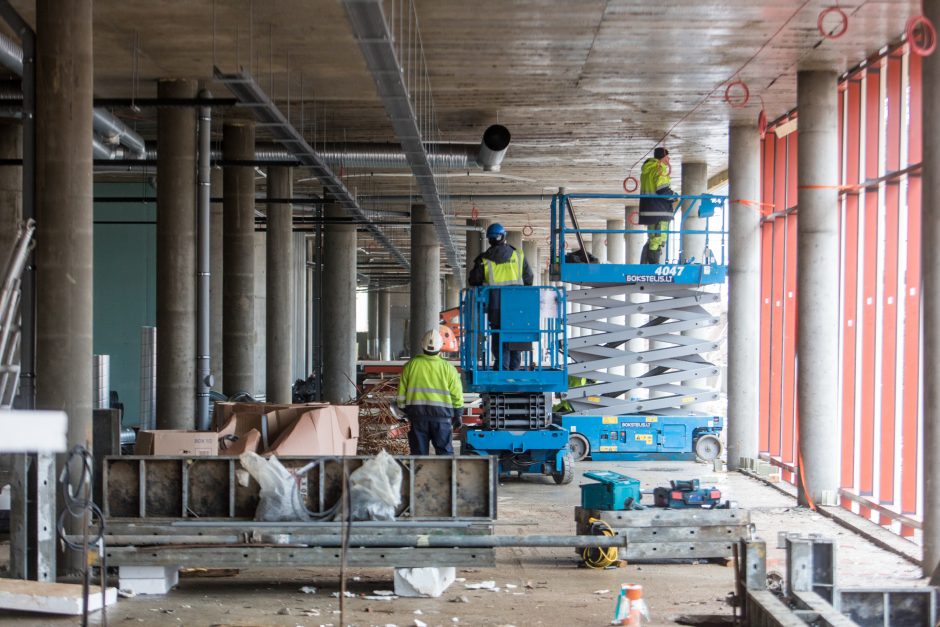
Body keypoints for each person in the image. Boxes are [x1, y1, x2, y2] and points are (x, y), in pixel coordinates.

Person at [467, 222, 534, 370]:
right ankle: (514, 370)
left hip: (496, 306)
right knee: (516, 335)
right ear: (504, 236)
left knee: (499, 335)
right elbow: (529, 277)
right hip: (517, 305)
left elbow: (473, 280)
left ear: (489, 239)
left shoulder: (484, 260)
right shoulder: (518, 255)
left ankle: (501, 368)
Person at [397, 328, 464, 455]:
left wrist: (403, 411)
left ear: (422, 344)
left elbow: (401, 393)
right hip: (442, 419)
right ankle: (445, 475)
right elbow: (457, 394)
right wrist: (458, 413)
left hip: (417, 417)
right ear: (441, 346)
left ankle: (419, 475)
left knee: (418, 456)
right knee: (445, 455)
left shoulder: (410, 365)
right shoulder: (449, 369)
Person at [638, 147, 678, 264]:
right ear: (664, 157)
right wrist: (674, 196)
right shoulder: (660, 168)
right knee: (657, 239)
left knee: (653, 239)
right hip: (659, 211)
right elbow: (663, 190)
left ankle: (644, 265)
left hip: (649, 209)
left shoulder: (647, 170)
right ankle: (653, 267)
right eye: (668, 156)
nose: (669, 159)